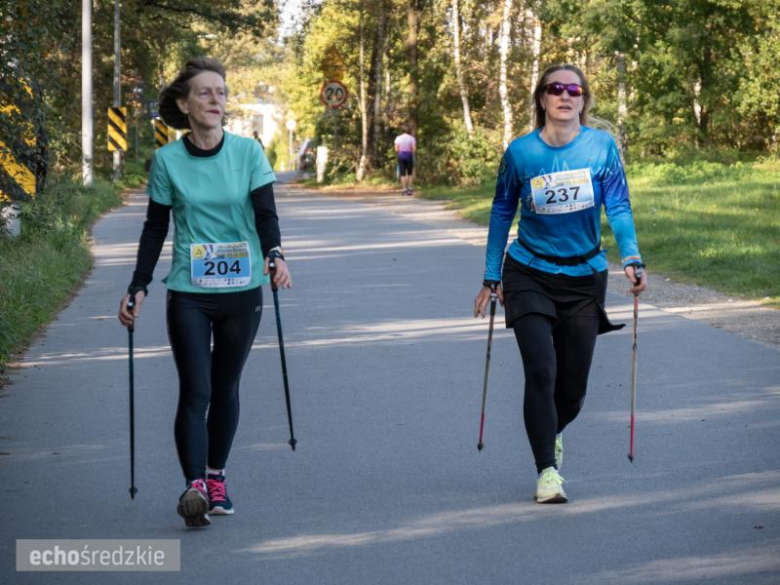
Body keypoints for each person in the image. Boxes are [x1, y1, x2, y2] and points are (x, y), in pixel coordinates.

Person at [117, 57, 292, 528]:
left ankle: (217, 477)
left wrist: (275, 254)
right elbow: (155, 229)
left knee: (225, 387)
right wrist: (139, 284)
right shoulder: (168, 161)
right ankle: (194, 486)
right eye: (205, 92)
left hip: (242, 288)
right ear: (184, 103)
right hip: (189, 291)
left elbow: (265, 214)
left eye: (221, 92)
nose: (217, 100)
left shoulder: (249, 153)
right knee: (196, 390)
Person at [473, 64, 646, 504]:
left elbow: (620, 207)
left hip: (584, 278)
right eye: (556, 89)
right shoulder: (520, 153)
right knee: (542, 371)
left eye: (575, 90)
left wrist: (631, 257)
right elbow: (500, 213)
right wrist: (492, 275)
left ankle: (551, 432)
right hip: (528, 272)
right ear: (542, 98)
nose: (566, 96)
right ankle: (546, 472)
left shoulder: (601, 148)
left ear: (584, 100)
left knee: (572, 390)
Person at [394, 124, 416, 196]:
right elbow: (414, 149)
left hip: (401, 156)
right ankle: (409, 188)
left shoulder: (398, 138)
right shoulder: (411, 138)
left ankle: (404, 189)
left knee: (402, 173)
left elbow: (396, 149)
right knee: (410, 173)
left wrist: (400, 151)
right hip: (409, 156)